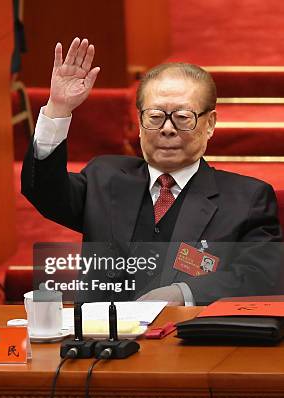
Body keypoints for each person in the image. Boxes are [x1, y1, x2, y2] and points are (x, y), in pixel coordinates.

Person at [22, 38, 282, 305]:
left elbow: (263, 276)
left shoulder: (246, 199)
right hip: (102, 338)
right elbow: (43, 190)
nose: (167, 128)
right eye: (155, 116)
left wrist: (185, 294)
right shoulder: (105, 177)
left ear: (210, 124)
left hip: (188, 340)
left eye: (182, 117)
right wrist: (58, 108)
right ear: (139, 121)